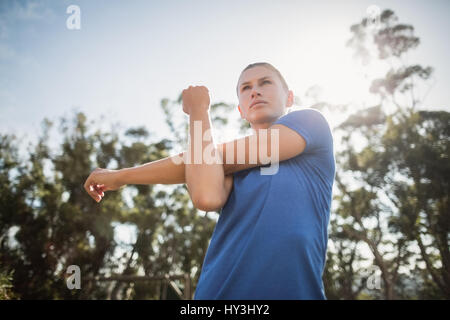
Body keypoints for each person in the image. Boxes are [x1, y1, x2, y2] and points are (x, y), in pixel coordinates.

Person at [83, 62, 335, 299]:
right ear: (241, 110)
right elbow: (205, 195)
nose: (255, 92)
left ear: (289, 97)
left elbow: (201, 158)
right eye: (246, 88)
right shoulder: (223, 166)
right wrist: (198, 112)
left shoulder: (311, 122)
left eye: (265, 82)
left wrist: (120, 175)